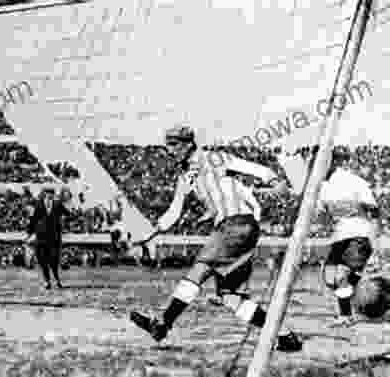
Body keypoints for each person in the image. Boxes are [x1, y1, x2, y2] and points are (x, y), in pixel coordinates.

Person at [129, 126, 303, 352]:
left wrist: (273, 180)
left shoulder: (213, 158)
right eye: (168, 146)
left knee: (198, 271)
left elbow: (252, 168)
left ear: (188, 144)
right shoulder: (186, 176)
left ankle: (162, 324)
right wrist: (148, 235)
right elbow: (174, 212)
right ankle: (285, 336)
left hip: (236, 224)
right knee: (231, 298)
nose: (170, 151)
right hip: (236, 227)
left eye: (175, 145)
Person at [311, 148, 381, 326]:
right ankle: (364, 294)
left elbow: (373, 209)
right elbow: (320, 214)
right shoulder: (320, 185)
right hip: (339, 236)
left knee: (340, 276)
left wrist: (375, 238)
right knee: (329, 278)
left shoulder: (352, 181)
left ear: (333, 162)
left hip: (359, 233)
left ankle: (346, 316)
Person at [25, 187, 76, 290]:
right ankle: (47, 281)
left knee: (54, 260)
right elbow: (33, 219)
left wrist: (69, 217)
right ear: (44, 194)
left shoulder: (58, 204)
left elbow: (69, 215)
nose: (49, 195)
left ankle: (57, 280)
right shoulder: (38, 204)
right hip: (41, 236)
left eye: (51, 194)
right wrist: (29, 233)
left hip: (54, 236)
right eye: (47, 193)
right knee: (42, 260)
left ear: (53, 195)